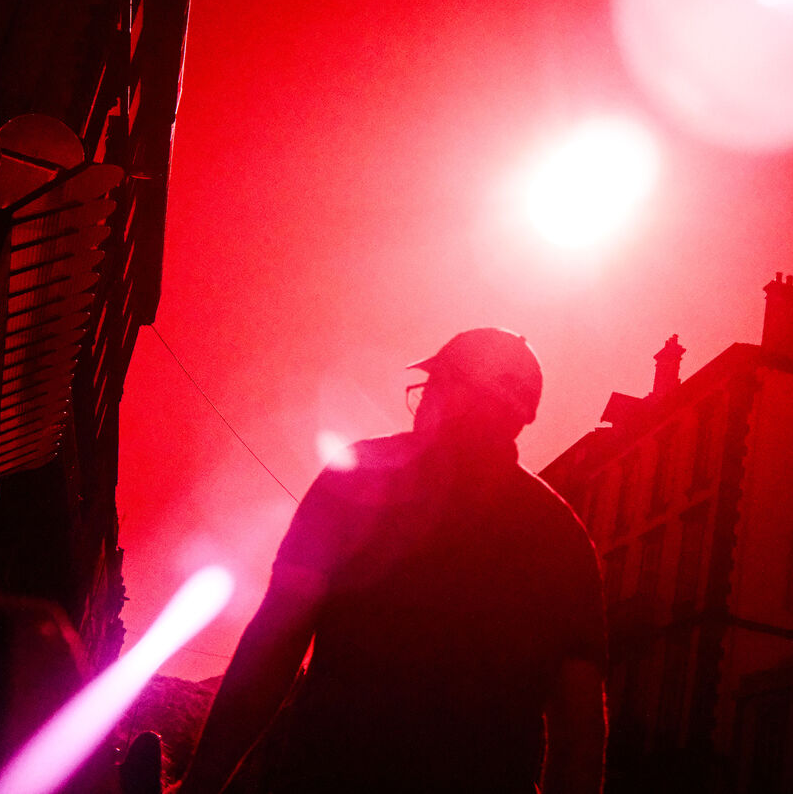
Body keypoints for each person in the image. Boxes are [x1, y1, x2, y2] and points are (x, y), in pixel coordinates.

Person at [177, 328, 606, 793]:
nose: (421, 403)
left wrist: (202, 783)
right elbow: (579, 738)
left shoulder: (360, 474)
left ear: (457, 394)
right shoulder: (562, 537)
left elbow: (274, 644)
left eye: (432, 387)